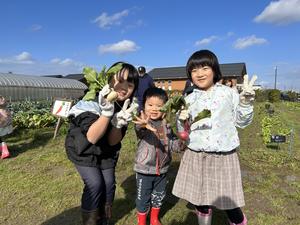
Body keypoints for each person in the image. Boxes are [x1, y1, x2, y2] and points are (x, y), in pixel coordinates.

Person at [172, 50, 257, 225]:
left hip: (223, 156)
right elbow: (184, 132)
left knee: (229, 203)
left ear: (214, 70)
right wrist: (181, 122)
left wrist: (246, 102)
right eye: (194, 70)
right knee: (201, 201)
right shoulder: (188, 99)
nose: (199, 73)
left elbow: (242, 122)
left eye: (204, 68)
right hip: (196, 155)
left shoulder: (228, 93)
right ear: (190, 75)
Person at [65, 62, 139, 225]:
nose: (124, 87)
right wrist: (106, 113)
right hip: (83, 149)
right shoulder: (91, 102)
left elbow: (113, 141)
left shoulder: (123, 107)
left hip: (106, 150)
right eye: (120, 81)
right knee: (95, 184)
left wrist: (118, 123)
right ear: (109, 80)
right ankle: (90, 222)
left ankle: (103, 219)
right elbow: (91, 137)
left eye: (130, 84)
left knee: (109, 184)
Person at [133, 87, 184, 225]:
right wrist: (143, 125)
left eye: (159, 106)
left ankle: (154, 218)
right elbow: (139, 129)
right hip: (144, 169)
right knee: (143, 197)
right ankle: (142, 221)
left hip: (162, 170)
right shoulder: (142, 123)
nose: (154, 109)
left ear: (165, 108)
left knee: (159, 195)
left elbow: (172, 143)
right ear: (144, 105)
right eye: (150, 105)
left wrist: (182, 143)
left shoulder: (166, 125)